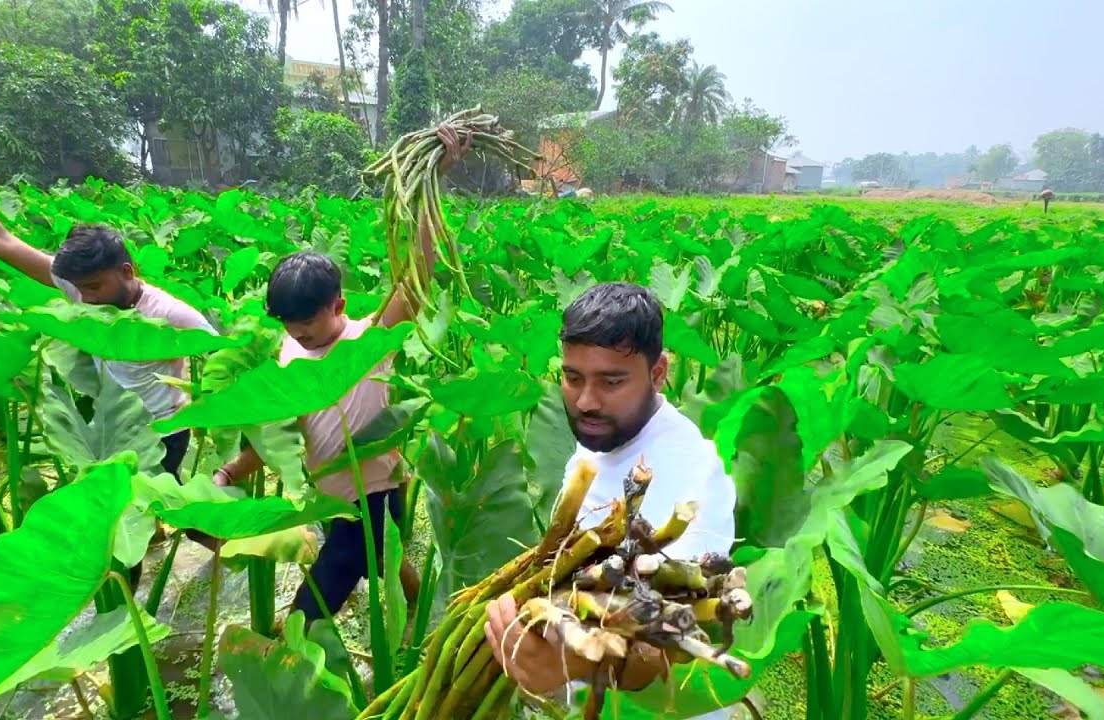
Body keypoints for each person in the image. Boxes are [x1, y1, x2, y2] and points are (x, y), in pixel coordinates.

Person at [213, 125, 469, 625]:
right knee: (382, 561)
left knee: (314, 604)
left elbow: (417, 276)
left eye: (308, 324)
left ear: (339, 306)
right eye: (289, 324)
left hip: (375, 494)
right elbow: (279, 433)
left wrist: (432, 181)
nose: (299, 333)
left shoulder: (369, 340)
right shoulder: (290, 351)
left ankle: (297, 639)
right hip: (329, 496)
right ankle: (428, 617)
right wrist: (230, 472)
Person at [0, 115, 215, 485]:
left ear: (126, 272)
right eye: (80, 289)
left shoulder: (169, 312)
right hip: (110, 428)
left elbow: (226, 355)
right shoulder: (81, 288)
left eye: (94, 287)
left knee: (151, 507)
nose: (85, 299)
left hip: (163, 434)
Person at [482, 283, 738, 718]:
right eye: (573, 378)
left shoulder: (693, 476)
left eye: (611, 381)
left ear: (658, 372)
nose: (586, 402)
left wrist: (576, 662)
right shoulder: (605, 435)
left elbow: (669, 638)